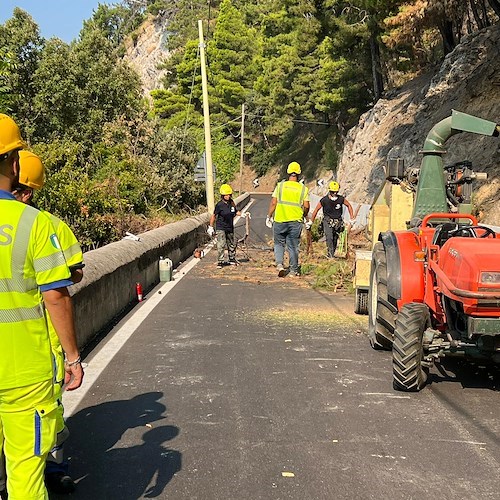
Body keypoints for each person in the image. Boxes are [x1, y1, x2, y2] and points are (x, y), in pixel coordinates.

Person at [0, 114, 83, 500]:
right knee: (25, 475)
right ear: (13, 164)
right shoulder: (33, 223)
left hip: (23, 374)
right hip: (24, 372)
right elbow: (56, 293)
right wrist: (72, 356)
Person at [267, 161, 310, 277]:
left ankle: (280, 264)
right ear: (299, 174)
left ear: (288, 172)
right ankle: (293, 271)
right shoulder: (303, 189)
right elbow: (306, 206)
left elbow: (273, 202)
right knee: (293, 246)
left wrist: (269, 216)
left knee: (279, 243)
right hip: (296, 221)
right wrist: (305, 216)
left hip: (280, 219)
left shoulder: (280, 186)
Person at [308, 181, 355, 258]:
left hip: (338, 222)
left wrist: (352, 218)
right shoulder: (324, 200)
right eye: (333, 192)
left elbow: (349, 206)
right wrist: (311, 221)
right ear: (330, 191)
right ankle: (330, 255)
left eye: (336, 192)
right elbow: (316, 210)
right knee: (329, 237)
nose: (335, 193)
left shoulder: (341, 199)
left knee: (335, 238)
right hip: (327, 221)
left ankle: (332, 253)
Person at [207, 184, 240, 268]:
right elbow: (214, 216)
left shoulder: (232, 204)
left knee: (231, 243)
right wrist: (210, 227)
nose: (228, 196)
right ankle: (220, 261)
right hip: (221, 227)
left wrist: (243, 214)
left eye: (229, 194)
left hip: (230, 227)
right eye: (226, 195)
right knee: (221, 244)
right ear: (223, 196)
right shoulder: (219, 205)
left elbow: (235, 212)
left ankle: (231, 258)